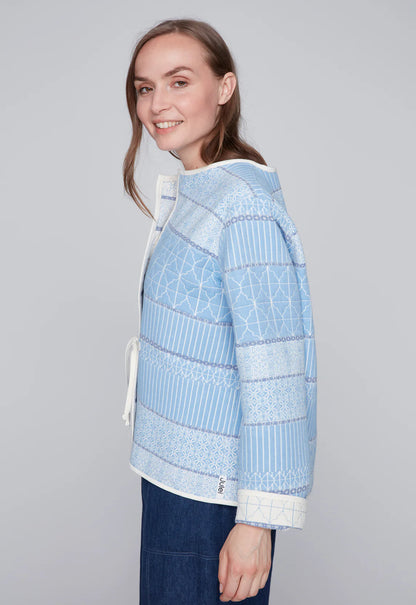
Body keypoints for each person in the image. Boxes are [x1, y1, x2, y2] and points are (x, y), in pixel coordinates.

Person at [122, 18, 317, 605]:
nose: (157, 104)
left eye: (179, 82)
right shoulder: (200, 193)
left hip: (212, 500)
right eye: (145, 87)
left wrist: (256, 524)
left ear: (224, 88)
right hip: (173, 480)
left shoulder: (242, 207)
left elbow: (275, 371)